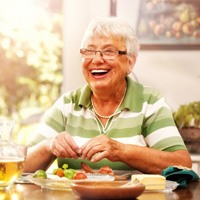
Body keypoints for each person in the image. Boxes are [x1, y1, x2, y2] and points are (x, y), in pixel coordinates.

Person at [24, 17, 192, 174]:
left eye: (109, 51)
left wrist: (121, 151)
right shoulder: (67, 104)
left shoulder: (150, 103)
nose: (96, 60)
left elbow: (181, 164)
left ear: (130, 62)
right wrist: (48, 145)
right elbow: (21, 164)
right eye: (89, 51)